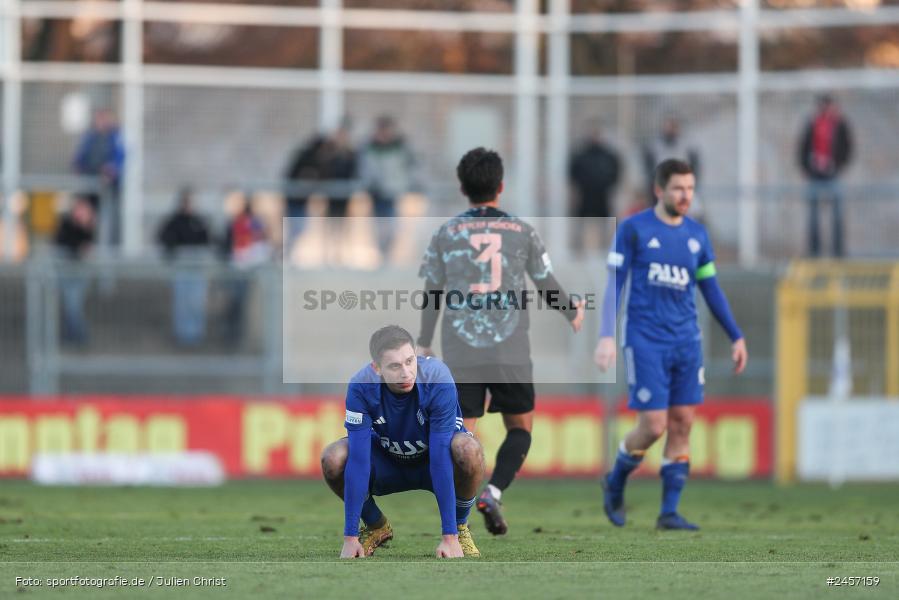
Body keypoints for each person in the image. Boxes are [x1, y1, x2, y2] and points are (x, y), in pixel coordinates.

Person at [417, 147, 585, 536]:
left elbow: (432, 291)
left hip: (461, 348)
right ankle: (493, 490)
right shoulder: (521, 231)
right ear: (501, 186)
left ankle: (458, 525)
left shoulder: (446, 233)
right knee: (520, 427)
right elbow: (545, 282)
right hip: (510, 347)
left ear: (462, 188)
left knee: (462, 440)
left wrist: (425, 340)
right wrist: (571, 311)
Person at [594, 158, 748, 531]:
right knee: (654, 425)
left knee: (683, 422)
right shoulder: (634, 229)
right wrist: (606, 335)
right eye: (679, 188)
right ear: (659, 190)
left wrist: (735, 335)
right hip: (645, 340)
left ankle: (669, 512)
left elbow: (710, 288)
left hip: (686, 341)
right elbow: (616, 283)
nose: (686, 196)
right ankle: (615, 480)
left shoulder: (697, 235)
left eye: (691, 189)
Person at [320, 325, 485, 558]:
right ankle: (376, 526)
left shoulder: (438, 378)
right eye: (395, 366)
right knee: (333, 457)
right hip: (388, 463)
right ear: (376, 368)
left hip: (432, 462)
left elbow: (440, 457)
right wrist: (350, 537)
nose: (406, 373)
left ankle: (459, 529)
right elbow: (358, 460)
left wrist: (448, 537)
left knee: (468, 449)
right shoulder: (361, 387)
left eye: (409, 361)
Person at [798, 94, 853, 257]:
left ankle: (838, 252)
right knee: (813, 216)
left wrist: (840, 165)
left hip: (833, 173)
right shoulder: (813, 123)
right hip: (815, 174)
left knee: (837, 215)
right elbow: (803, 146)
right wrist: (806, 168)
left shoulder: (839, 124)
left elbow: (847, 146)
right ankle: (814, 251)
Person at [359, 115, 422, 257]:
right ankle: (381, 253)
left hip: (393, 193)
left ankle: (388, 253)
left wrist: (411, 183)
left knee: (393, 227)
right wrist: (368, 184)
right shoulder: (369, 147)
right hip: (375, 193)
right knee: (378, 227)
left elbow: (413, 166)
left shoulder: (401, 147)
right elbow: (364, 169)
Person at [157, 188, 211, 346]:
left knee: (196, 301)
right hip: (181, 267)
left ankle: (196, 334)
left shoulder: (199, 221)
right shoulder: (174, 221)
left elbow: (208, 239)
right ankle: (182, 334)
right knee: (181, 301)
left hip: (196, 267)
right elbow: (164, 238)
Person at [72, 108, 125, 246]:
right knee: (85, 214)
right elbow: (80, 156)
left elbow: (120, 157)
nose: (101, 122)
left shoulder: (115, 137)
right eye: (99, 119)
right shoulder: (90, 137)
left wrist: (111, 169)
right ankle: (85, 243)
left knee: (108, 217)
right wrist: (78, 165)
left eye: (103, 119)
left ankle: (109, 245)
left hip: (108, 187)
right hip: (91, 184)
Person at [221, 198, 270, 345]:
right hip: (239, 268)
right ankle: (234, 332)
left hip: (247, 269)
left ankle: (239, 333)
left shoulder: (253, 224)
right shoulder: (240, 223)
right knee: (237, 302)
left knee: (241, 303)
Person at [569, 120, 621, 254]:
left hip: (602, 195)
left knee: (605, 223)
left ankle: (605, 249)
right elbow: (573, 172)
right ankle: (578, 249)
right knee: (580, 222)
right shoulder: (581, 155)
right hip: (585, 195)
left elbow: (616, 171)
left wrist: (610, 185)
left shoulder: (608, 155)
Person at [54, 196, 96, 345]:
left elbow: (88, 246)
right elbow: (64, 242)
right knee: (71, 304)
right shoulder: (66, 224)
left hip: (79, 273)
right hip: (66, 272)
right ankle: (77, 335)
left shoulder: (89, 227)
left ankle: (76, 335)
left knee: (73, 304)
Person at [642, 116, 700, 209]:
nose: (671, 129)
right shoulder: (654, 146)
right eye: (668, 126)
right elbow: (648, 166)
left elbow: (694, 166)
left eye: (673, 126)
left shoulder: (687, 146)